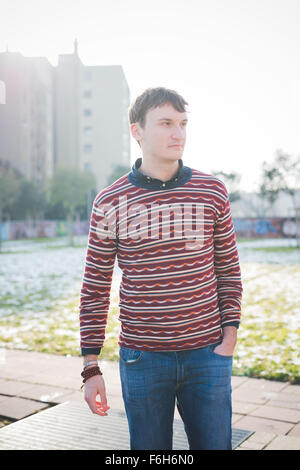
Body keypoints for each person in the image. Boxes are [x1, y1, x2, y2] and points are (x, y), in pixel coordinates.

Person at [79, 87, 243, 450]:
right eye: (166, 123)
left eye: (183, 124)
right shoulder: (110, 202)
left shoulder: (212, 191)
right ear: (136, 131)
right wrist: (91, 366)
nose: (178, 134)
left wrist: (229, 335)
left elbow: (229, 269)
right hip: (143, 359)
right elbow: (95, 285)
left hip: (208, 355)